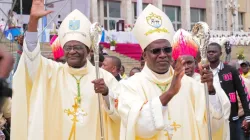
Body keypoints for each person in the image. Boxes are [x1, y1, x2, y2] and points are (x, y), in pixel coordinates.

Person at [11, 1, 120, 139]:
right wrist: (33, 21)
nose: (72, 51)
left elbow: (120, 114)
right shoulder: (52, 72)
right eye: (68, 47)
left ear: (88, 50)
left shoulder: (104, 78)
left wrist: (105, 93)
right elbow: (31, 56)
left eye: (78, 47)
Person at [118, 4, 224, 140]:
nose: (162, 54)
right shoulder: (130, 86)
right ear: (144, 56)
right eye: (155, 51)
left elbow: (214, 125)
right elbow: (139, 127)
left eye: (167, 50)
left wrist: (210, 91)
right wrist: (170, 93)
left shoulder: (191, 85)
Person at [172, 29, 231, 140]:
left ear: (195, 63)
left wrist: (211, 91)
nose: (186, 66)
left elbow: (224, 111)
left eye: (189, 62)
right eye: (182, 63)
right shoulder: (170, 86)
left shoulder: (204, 82)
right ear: (174, 64)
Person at [207, 42, 250, 140]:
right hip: (210, 119)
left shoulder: (231, 71)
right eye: (209, 52)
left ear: (221, 54)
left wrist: (248, 117)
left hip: (230, 119)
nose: (211, 54)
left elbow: (243, 93)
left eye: (214, 52)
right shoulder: (203, 71)